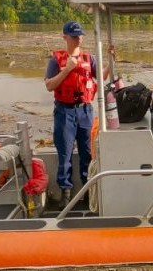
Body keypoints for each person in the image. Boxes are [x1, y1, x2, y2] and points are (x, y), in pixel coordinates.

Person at [44, 20, 112, 208]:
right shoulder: (56, 60)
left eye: (80, 35)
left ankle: (88, 192)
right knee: (64, 153)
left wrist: (111, 61)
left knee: (87, 153)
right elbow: (49, 85)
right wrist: (67, 69)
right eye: (74, 36)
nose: (78, 39)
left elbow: (101, 77)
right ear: (65, 37)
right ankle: (66, 194)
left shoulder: (89, 58)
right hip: (64, 111)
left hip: (85, 110)